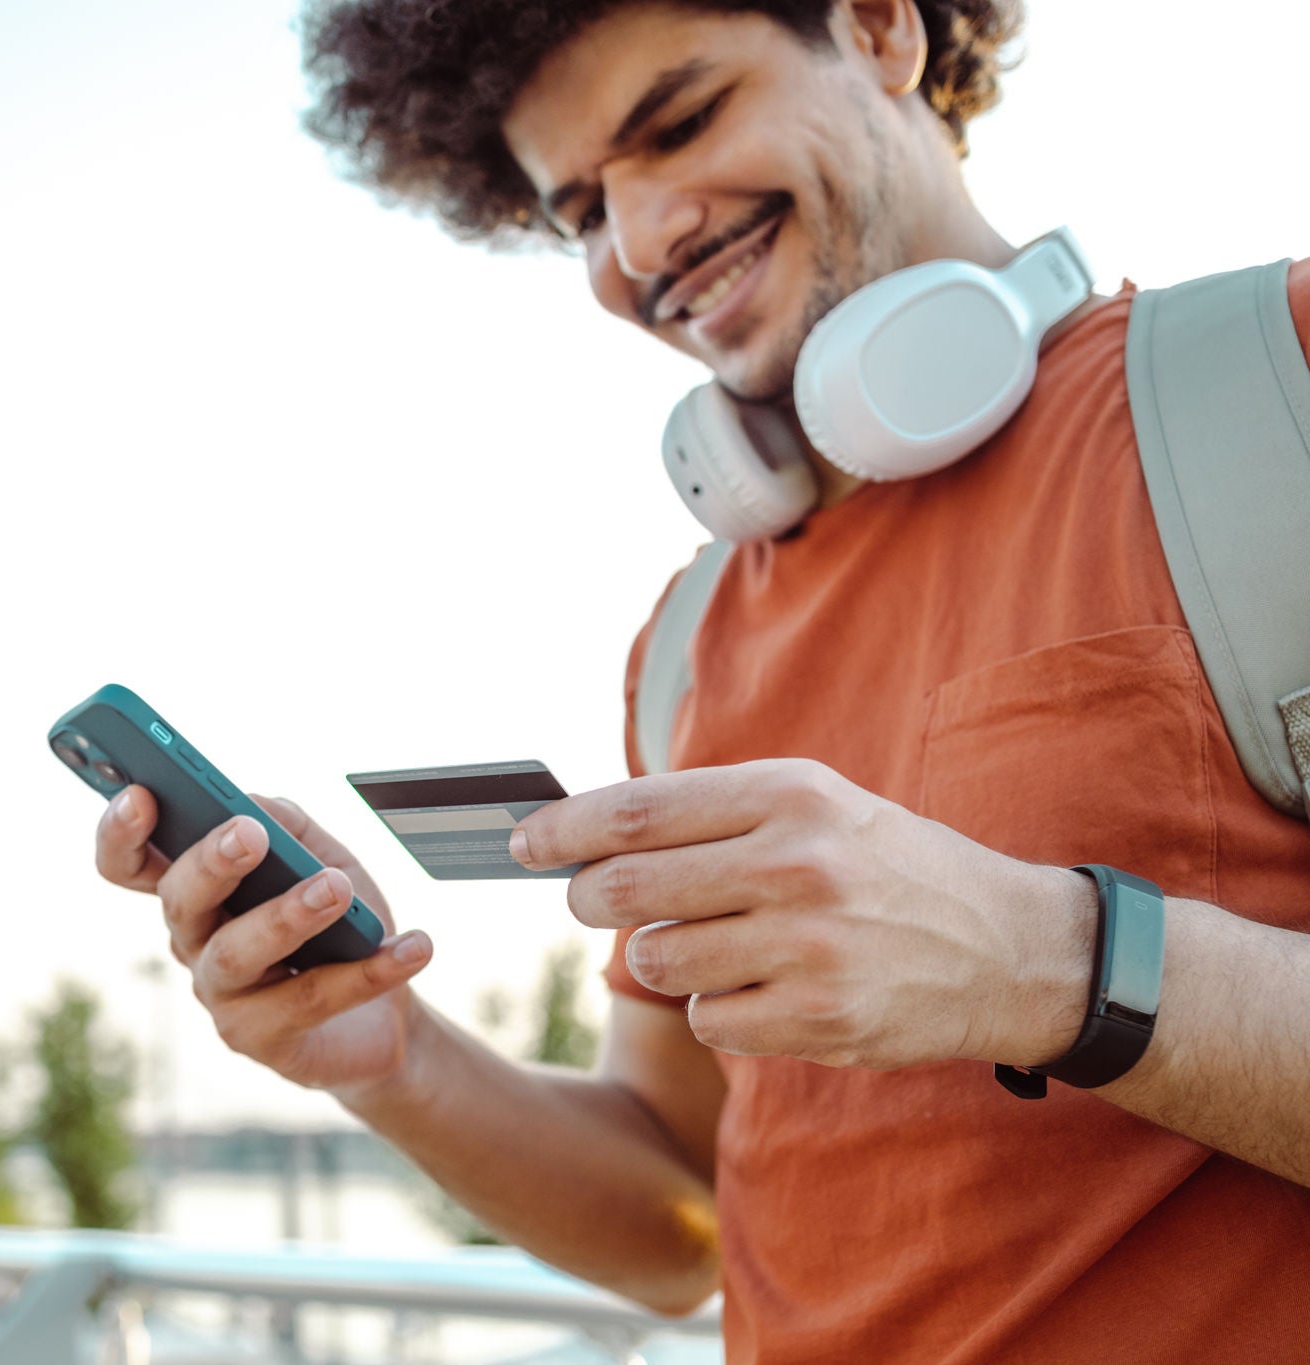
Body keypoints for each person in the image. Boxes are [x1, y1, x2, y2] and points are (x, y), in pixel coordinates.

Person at [87, 1, 1310, 1358]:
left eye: (680, 122)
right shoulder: (686, 637)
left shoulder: (1276, 392)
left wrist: (1043, 961)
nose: (639, 245)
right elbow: (685, 1209)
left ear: (881, 28)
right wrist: (398, 1057)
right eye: (582, 213)